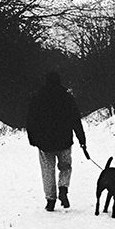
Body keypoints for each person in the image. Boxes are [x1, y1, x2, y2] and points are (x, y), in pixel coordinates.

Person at [26, 71, 87, 211]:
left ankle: (50, 200)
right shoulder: (67, 97)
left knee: (47, 170)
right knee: (65, 166)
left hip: (44, 142)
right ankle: (63, 188)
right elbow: (75, 119)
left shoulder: (37, 98)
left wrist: (32, 138)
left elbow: (31, 119)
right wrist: (81, 139)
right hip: (64, 140)